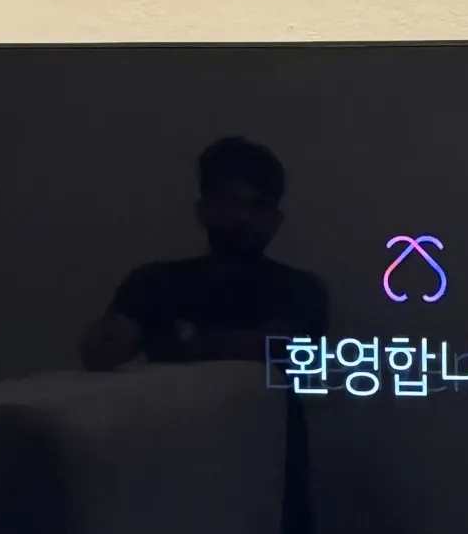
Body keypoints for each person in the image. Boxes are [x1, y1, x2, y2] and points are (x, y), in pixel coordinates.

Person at [81, 136, 328, 369]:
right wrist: (107, 344)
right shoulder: (152, 283)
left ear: (276, 221)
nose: (243, 217)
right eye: (231, 202)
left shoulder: (301, 291)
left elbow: (279, 348)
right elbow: (103, 352)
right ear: (202, 210)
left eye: (258, 206)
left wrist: (182, 343)